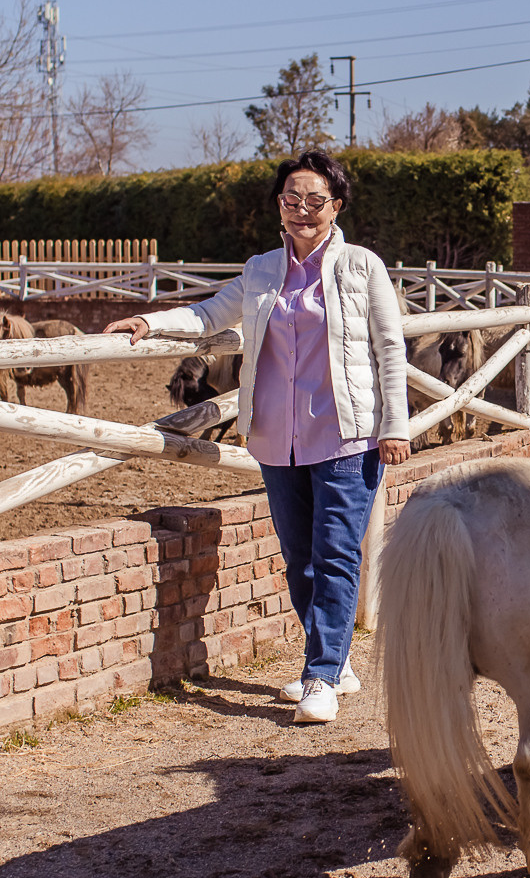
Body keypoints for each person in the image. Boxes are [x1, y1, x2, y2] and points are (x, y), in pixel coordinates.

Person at [107, 150, 410, 724]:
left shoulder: (362, 267)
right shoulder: (261, 269)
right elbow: (210, 315)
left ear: (336, 206)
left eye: (315, 200)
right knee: (299, 560)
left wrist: (395, 426)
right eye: (291, 199)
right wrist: (151, 322)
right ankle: (336, 658)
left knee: (336, 555)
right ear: (279, 205)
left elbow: (389, 348)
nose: (302, 210)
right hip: (277, 436)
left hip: (346, 435)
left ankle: (320, 675)